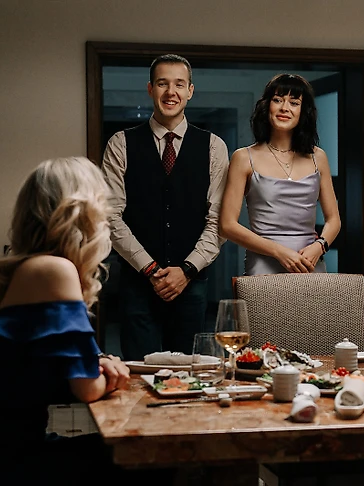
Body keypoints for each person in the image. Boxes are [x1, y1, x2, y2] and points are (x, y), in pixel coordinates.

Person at [0, 157, 133, 482]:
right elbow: (87, 389)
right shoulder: (54, 270)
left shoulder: (29, 267)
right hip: (9, 459)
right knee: (147, 462)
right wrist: (112, 369)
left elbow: (51, 361)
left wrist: (95, 362)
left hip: (8, 446)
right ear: (84, 212)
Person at [102, 54, 229, 361]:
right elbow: (110, 216)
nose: (171, 92)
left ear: (190, 91)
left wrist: (186, 270)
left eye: (179, 84)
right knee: (139, 371)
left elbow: (219, 221)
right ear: (150, 89)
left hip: (192, 284)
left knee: (188, 375)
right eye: (162, 83)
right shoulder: (120, 143)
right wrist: (150, 269)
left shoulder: (214, 146)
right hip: (136, 284)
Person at [219, 74, 340, 275]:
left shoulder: (318, 157)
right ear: (267, 106)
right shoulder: (243, 157)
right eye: (277, 100)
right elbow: (227, 225)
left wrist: (319, 246)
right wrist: (278, 251)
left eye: (294, 103)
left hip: (309, 263)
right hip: (263, 265)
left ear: (303, 111)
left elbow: (334, 219)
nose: (285, 108)